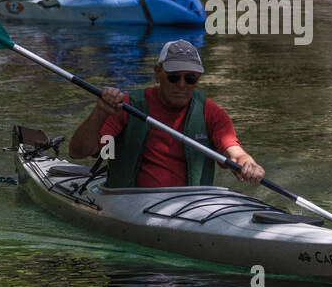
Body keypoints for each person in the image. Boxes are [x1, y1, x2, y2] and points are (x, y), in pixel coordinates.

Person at [69, 40, 265, 188]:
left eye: (190, 78)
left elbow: (236, 154)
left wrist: (249, 164)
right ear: (157, 72)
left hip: (193, 207)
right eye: (173, 77)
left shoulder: (213, 114)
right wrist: (100, 111)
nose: (181, 85)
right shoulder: (126, 107)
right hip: (129, 201)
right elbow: (77, 152)